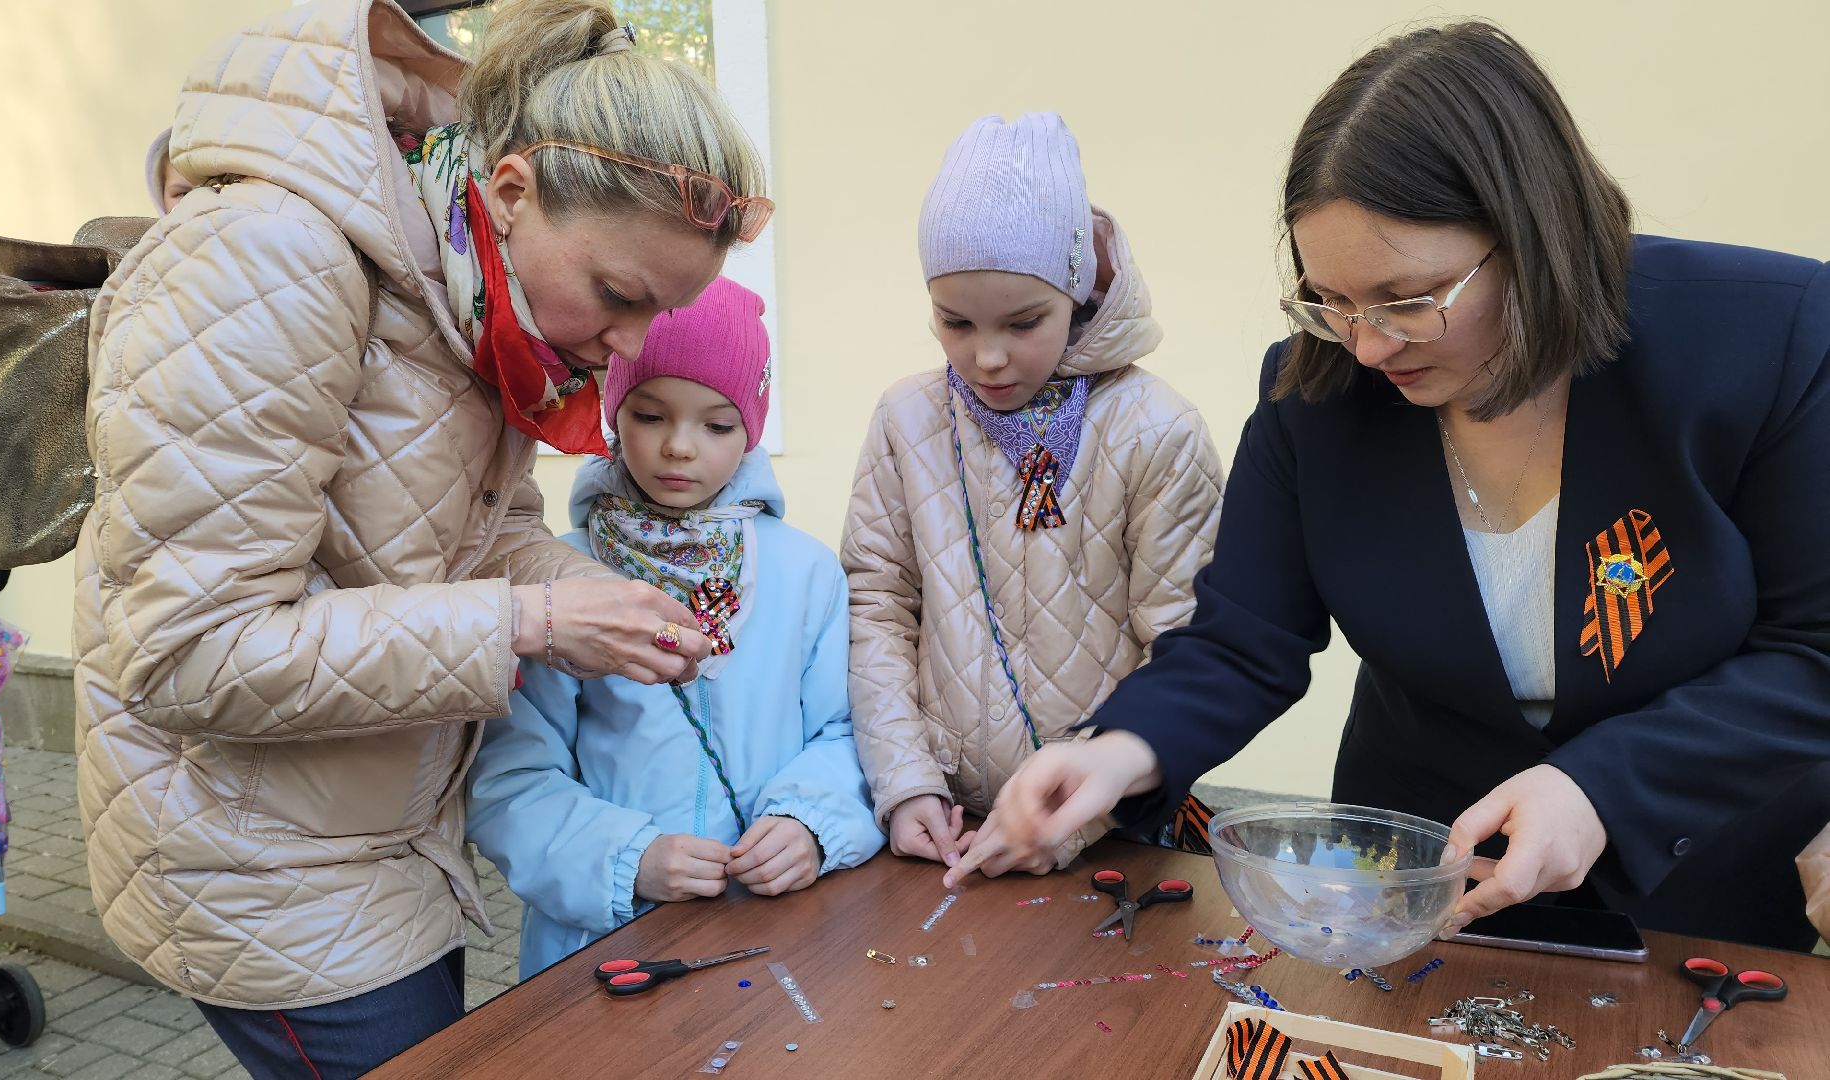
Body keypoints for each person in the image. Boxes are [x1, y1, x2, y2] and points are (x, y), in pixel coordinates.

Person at [951, 22, 1830, 952]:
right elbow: (1246, 638)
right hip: (1418, 883)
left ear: (1535, 235)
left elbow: (1813, 650)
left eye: (1408, 302)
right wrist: (1120, 751)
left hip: (1700, 884)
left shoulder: (1767, 343)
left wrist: (1602, 787)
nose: (1367, 346)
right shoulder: (1316, 387)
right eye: (1330, 299)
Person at [75, 0, 770, 1073]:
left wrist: (588, 594)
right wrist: (532, 618)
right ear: (510, 192)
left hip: (376, 847)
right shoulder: (268, 263)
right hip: (266, 875)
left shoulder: (464, 281)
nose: (627, 346)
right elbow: (185, 652)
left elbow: (486, 528)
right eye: (619, 296)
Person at [843, 112, 1225, 874]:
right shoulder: (907, 417)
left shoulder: (1156, 430)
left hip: (1112, 836)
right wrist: (906, 783)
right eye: (954, 322)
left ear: (1078, 291)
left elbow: (1186, 643)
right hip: (943, 825)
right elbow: (877, 604)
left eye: (1025, 322)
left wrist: (1074, 815)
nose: (986, 357)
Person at [468, 278, 882, 977]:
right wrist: (627, 859)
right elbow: (512, 776)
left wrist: (810, 824)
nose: (679, 448)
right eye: (650, 415)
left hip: (780, 935)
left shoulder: (807, 573)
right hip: (600, 945)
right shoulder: (560, 579)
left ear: (750, 429)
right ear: (612, 411)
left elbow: (847, 732)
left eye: (717, 425)